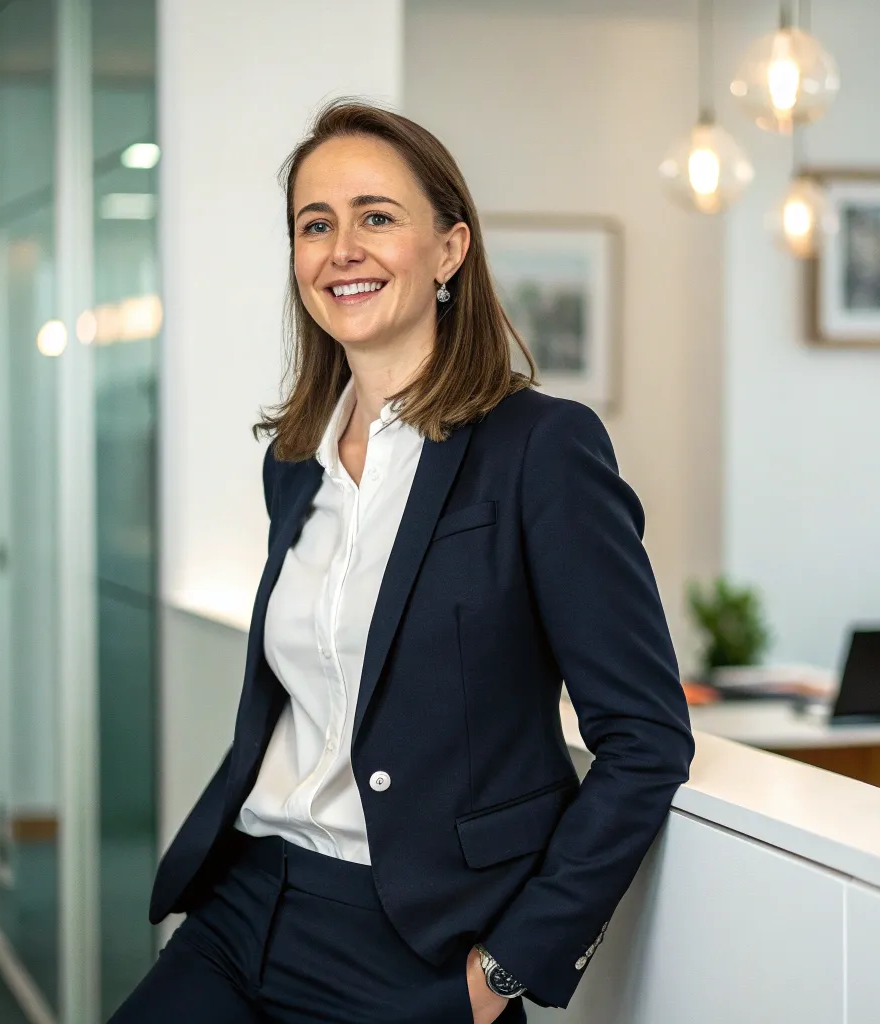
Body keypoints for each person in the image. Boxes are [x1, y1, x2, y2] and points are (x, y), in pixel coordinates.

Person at [110, 99, 694, 1024]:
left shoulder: (541, 448)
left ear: (450, 250)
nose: (342, 248)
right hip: (248, 901)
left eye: (376, 217)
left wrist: (500, 974)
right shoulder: (293, 463)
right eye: (316, 224)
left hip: (412, 941)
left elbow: (648, 740)